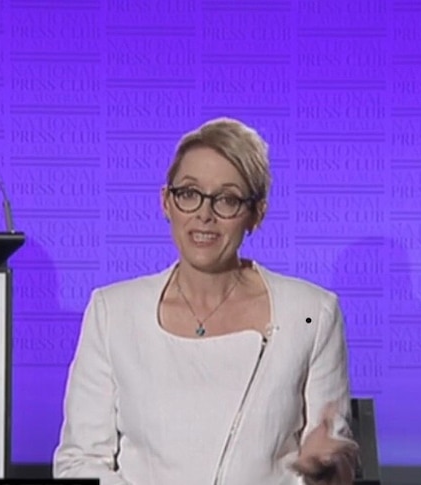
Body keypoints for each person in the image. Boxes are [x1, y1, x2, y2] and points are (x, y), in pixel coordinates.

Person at [53, 118, 360, 484]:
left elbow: (331, 461)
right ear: (166, 202)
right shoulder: (113, 312)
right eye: (189, 193)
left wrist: (326, 469)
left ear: (256, 214)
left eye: (227, 199)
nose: (204, 214)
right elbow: (80, 462)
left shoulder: (311, 314)